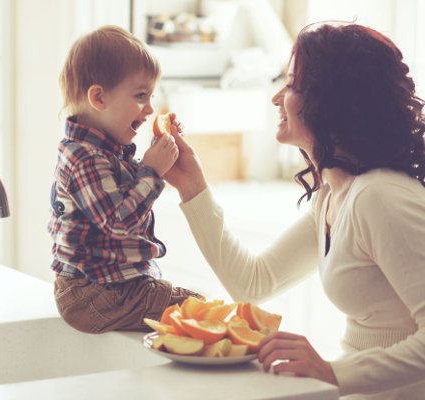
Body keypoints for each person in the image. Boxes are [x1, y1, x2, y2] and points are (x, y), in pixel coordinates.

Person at [164, 23, 425, 399]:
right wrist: (192, 187)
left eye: (291, 85)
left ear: (328, 100)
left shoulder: (380, 196)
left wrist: (331, 372)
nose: (276, 98)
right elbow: (253, 282)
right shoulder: (334, 197)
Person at [48, 25, 202, 334]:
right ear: (99, 98)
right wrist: (152, 171)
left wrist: (158, 158)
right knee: (201, 312)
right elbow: (119, 222)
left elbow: (126, 197)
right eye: (141, 95)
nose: (149, 109)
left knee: (198, 313)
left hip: (109, 288)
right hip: (92, 294)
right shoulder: (84, 158)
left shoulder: (105, 153)